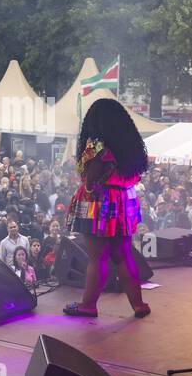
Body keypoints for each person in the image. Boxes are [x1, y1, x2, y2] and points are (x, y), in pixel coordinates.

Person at [62, 99, 150, 318]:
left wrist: (89, 187)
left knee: (97, 257)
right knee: (124, 255)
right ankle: (138, 304)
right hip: (124, 200)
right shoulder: (130, 145)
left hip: (99, 202)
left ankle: (88, 305)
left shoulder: (97, 145)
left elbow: (90, 180)